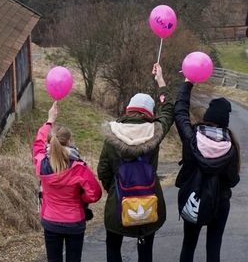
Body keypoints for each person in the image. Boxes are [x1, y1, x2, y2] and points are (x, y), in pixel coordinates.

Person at [98, 63, 174, 262]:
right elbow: (168, 110)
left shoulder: (111, 134)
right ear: (149, 114)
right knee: (145, 250)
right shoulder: (155, 132)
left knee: (113, 247)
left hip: (118, 203)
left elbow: (103, 170)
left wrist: (115, 188)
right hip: (149, 201)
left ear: (128, 110)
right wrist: (161, 81)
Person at [174, 79, 240, 262]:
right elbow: (232, 180)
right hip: (219, 203)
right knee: (213, 248)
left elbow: (180, 113)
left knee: (188, 245)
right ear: (225, 122)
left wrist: (187, 84)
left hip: (193, 200)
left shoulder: (192, 138)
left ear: (207, 116)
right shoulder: (231, 146)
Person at [32, 102, 103, 262]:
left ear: (50, 142)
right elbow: (95, 194)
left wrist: (50, 120)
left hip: (51, 221)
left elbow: (37, 145)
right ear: (70, 141)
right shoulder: (79, 168)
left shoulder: (41, 164)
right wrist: (80, 198)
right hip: (74, 222)